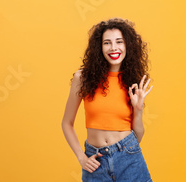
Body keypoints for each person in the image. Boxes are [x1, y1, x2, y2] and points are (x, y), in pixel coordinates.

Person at [61, 17, 153, 182]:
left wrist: (138, 111)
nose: (114, 48)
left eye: (119, 42)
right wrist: (81, 158)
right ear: (99, 47)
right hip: (95, 162)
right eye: (107, 43)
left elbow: (137, 138)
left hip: (129, 159)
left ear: (127, 46)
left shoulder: (131, 81)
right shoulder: (83, 78)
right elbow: (66, 123)